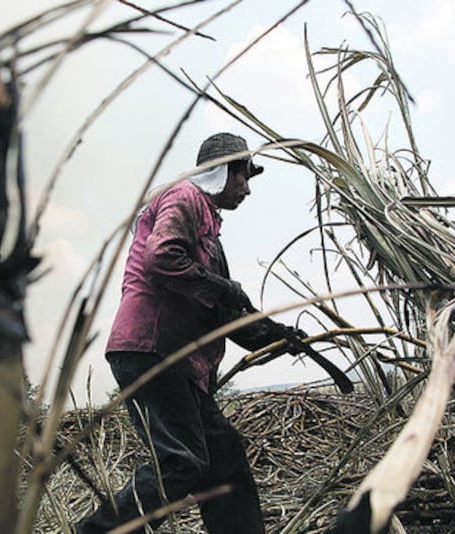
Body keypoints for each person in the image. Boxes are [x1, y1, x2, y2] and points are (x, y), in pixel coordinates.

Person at [76, 133, 302, 533]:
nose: (247, 189)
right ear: (222, 171)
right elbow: (162, 257)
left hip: (179, 362)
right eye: (243, 177)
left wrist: (276, 334)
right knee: (182, 461)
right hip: (151, 350)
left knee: (224, 460)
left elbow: (224, 313)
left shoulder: (210, 237)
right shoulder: (184, 197)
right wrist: (227, 289)